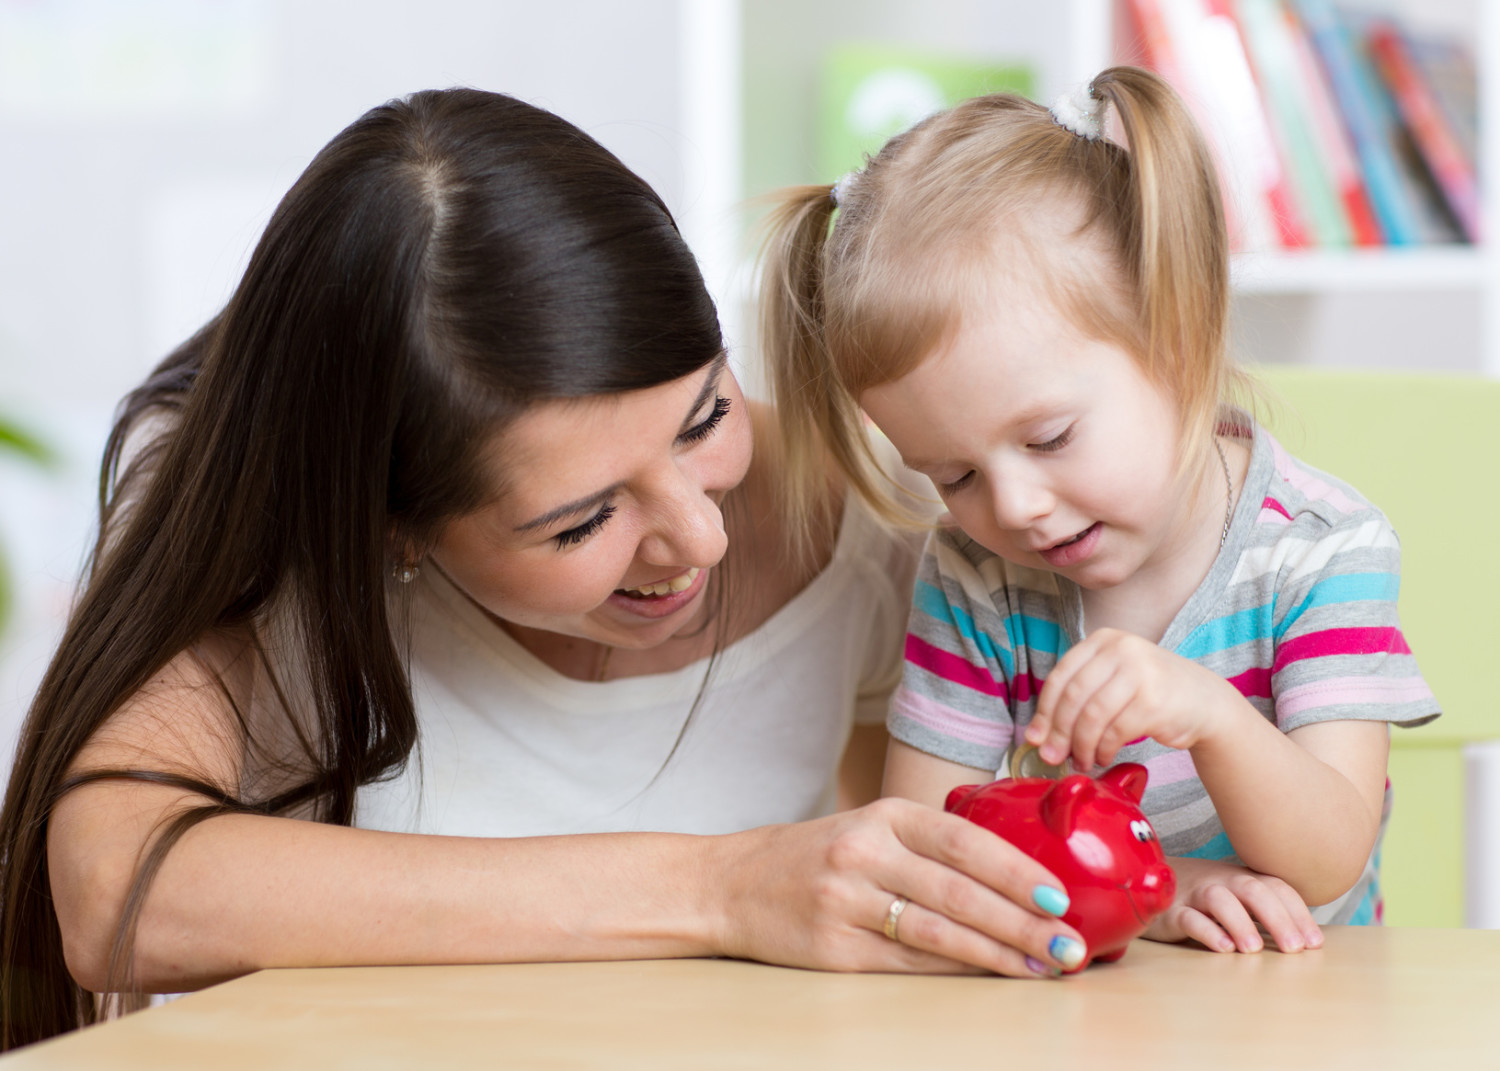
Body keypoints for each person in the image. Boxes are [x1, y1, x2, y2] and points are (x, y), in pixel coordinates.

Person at [0, 88, 1091, 1052]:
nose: (697, 539)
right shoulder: (258, 530)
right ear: (395, 531)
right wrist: (722, 888)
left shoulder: (878, 507)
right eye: (581, 523)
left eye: (704, 416)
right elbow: (115, 895)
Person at [759, 66, 1440, 959]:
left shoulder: (1320, 551)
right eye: (954, 475)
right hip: (1079, 992)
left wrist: (1213, 715)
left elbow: (1328, 860)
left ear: (1178, 333)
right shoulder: (977, 575)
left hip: (1298, 1002)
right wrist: (1160, 892)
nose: (1012, 506)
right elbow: (929, 848)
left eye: (1048, 438)